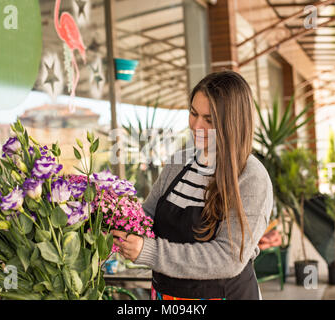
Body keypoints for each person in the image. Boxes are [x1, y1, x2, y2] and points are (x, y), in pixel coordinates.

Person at [112, 70, 273, 300]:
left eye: (209, 120)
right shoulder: (179, 163)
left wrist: (148, 252)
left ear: (233, 123)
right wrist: (108, 216)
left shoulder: (251, 177)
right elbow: (145, 217)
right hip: (167, 295)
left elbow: (228, 258)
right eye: (193, 113)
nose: (197, 126)